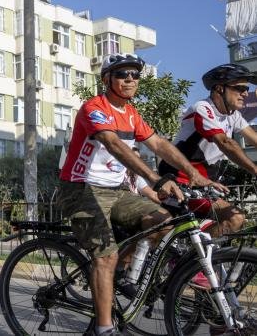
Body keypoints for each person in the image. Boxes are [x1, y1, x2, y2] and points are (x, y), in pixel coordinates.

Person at [58, 53, 222, 336]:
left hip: (115, 190)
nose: (131, 79)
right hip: (81, 189)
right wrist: (155, 179)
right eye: (123, 74)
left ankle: (119, 270)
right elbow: (113, 144)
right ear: (107, 79)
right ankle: (104, 328)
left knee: (163, 219)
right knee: (104, 258)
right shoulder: (94, 107)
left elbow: (158, 143)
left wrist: (193, 173)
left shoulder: (132, 113)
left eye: (135, 74)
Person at [159, 63, 257, 237]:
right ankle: (191, 261)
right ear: (219, 88)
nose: (245, 93)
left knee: (234, 220)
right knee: (234, 218)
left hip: (204, 185)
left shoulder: (232, 115)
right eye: (240, 88)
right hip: (179, 182)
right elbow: (225, 143)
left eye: (246, 88)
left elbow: (254, 138)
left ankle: (194, 259)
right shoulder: (203, 109)